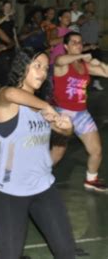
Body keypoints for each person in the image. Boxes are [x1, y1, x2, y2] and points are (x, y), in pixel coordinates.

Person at [0, 47, 76, 259]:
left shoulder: (43, 110)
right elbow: (10, 92)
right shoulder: (7, 101)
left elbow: (64, 132)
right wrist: (47, 108)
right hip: (10, 192)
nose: (42, 72)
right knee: (9, 255)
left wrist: (66, 126)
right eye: (37, 66)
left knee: (66, 252)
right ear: (22, 67)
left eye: (46, 68)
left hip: (43, 188)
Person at [51, 32, 108, 192]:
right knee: (58, 153)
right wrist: (82, 55)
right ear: (66, 46)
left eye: (80, 42)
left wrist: (99, 62)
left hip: (82, 114)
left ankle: (91, 179)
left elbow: (107, 72)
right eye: (74, 42)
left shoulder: (85, 66)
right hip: (63, 114)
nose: (78, 44)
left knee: (96, 151)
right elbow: (59, 59)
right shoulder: (62, 63)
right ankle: (38, 177)